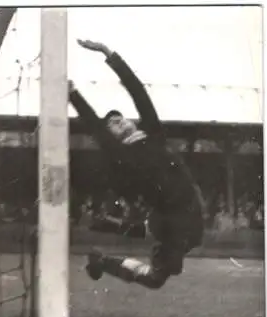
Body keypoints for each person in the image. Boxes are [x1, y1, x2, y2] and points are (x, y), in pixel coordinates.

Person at [69, 39, 205, 290]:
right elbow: (94, 126)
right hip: (169, 217)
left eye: (120, 117)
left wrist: (109, 55)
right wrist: (73, 95)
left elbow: (137, 92)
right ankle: (104, 259)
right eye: (112, 123)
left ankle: (113, 235)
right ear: (110, 134)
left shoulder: (154, 133)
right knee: (157, 277)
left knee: (182, 252)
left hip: (190, 209)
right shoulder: (121, 154)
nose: (118, 120)